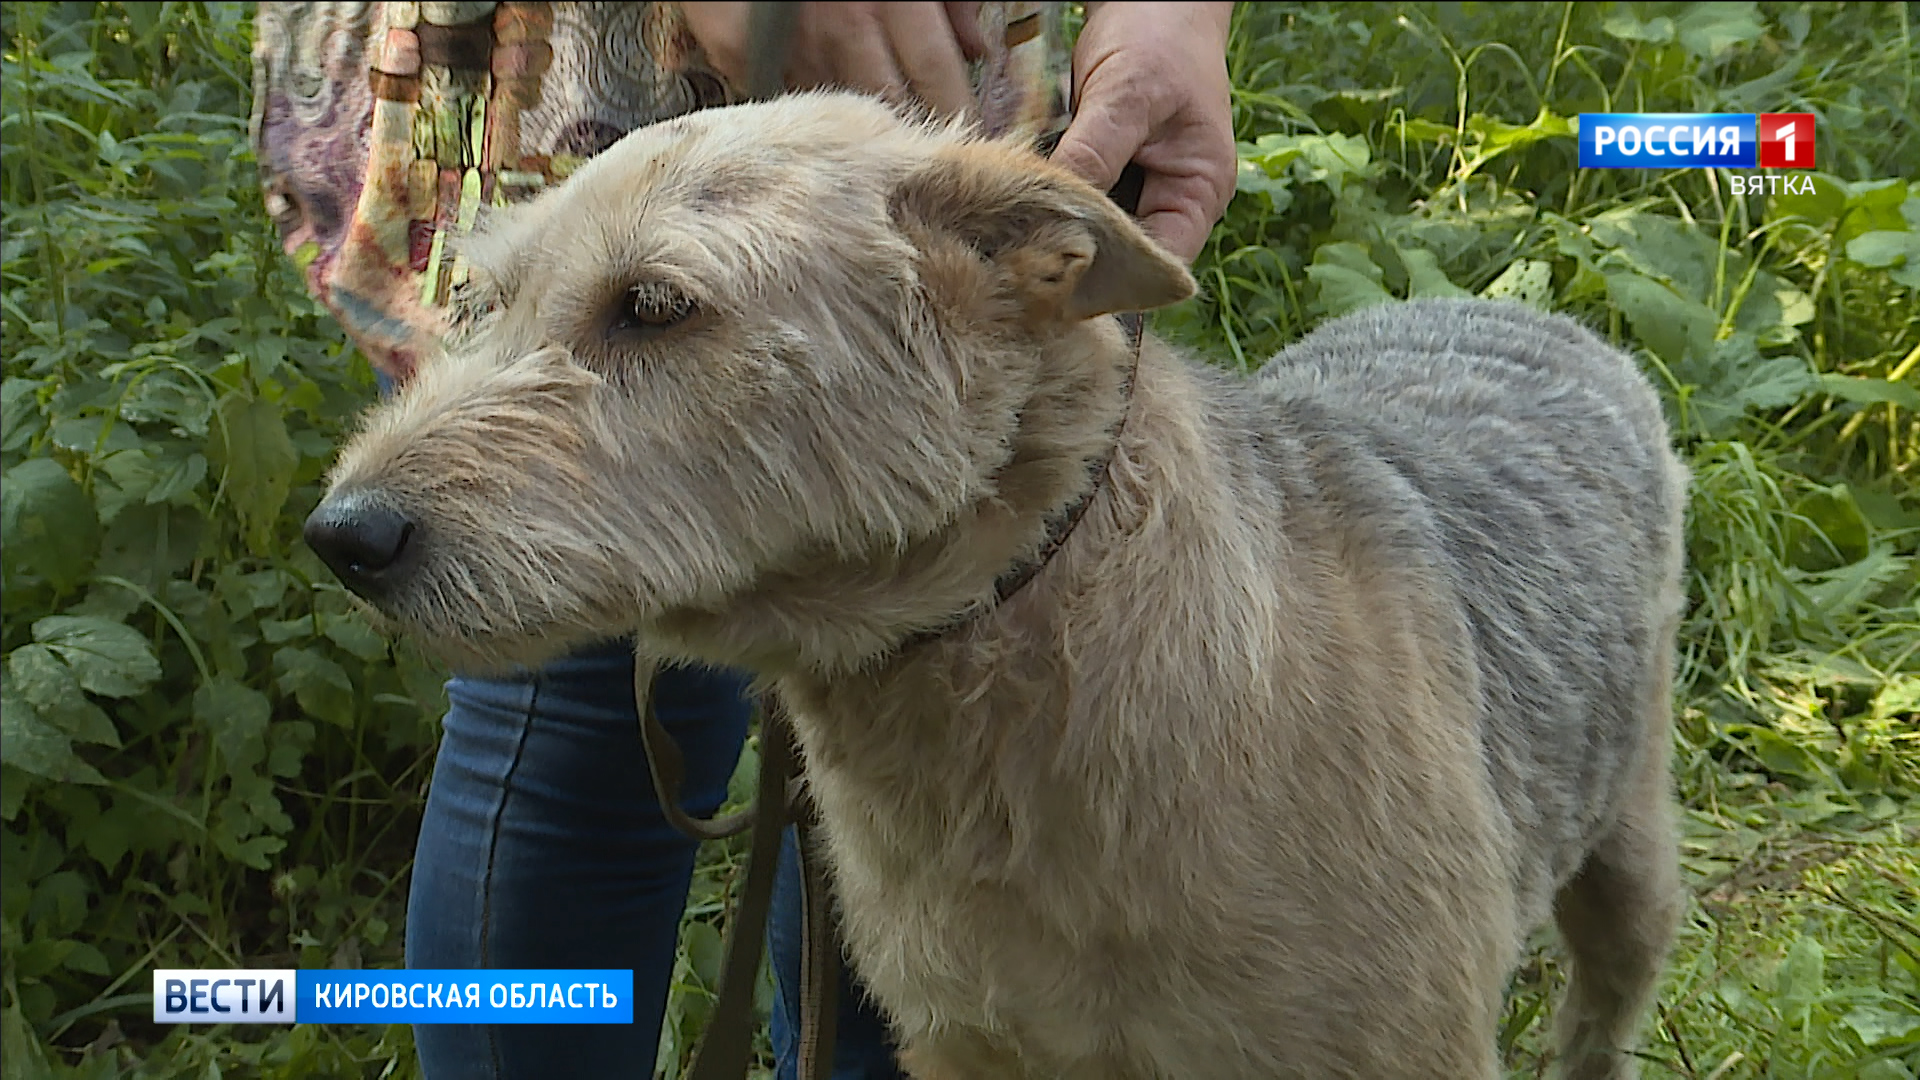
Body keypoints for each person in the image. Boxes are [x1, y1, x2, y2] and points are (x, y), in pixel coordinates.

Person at [250, 3, 1236, 1077]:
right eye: (504, 311)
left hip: (939, 79)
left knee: (961, 638)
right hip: (581, 59)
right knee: (575, 716)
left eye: (652, 311)